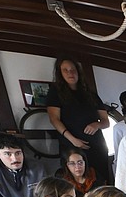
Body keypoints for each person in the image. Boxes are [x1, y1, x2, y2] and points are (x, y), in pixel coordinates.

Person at [46, 56, 111, 184]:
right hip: (71, 146)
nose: (70, 73)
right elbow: (54, 119)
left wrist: (96, 125)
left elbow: (106, 122)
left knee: (101, 179)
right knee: (74, 182)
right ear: (60, 73)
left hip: (96, 145)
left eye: (73, 69)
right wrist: (73, 140)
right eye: (66, 70)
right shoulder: (55, 93)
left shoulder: (90, 94)